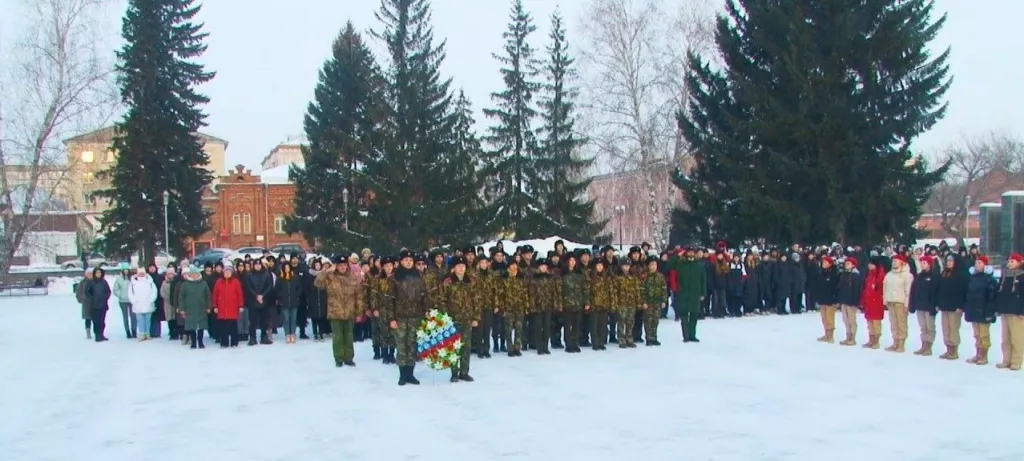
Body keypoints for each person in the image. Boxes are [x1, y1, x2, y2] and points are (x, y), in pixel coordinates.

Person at [383, 250, 429, 385]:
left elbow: (424, 295)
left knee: (412, 345)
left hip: (415, 316)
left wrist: (426, 310)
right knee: (402, 346)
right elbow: (389, 300)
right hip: (400, 317)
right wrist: (391, 318)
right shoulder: (394, 278)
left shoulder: (419, 276)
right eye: (405, 260)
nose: (408, 262)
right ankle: (402, 375)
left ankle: (411, 374)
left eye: (410, 260)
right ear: (401, 262)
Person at [315, 257, 365, 367]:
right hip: (335, 311)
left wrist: (359, 312)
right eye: (340, 265)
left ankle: (349, 357)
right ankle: (338, 358)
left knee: (349, 336)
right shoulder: (331, 277)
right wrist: (326, 271)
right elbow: (318, 283)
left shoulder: (353, 277)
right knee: (337, 337)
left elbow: (359, 296)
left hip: (349, 311)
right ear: (336, 266)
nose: (342, 267)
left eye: (344, 265)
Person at [442, 258, 478, 382]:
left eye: (463, 266)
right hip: (453, 319)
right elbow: (442, 300)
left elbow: (476, 300)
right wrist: (445, 317)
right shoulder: (448, 282)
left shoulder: (471, 281)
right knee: (453, 347)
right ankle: (454, 373)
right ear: (454, 268)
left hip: (467, 319)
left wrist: (475, 317)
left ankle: (464, 372)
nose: (461, 268)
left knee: (466, 347)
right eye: (459, 266)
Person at [668, 247, 706, 342]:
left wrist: (703, 293)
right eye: (689, 252)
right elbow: (669, 265)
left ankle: (692, 335)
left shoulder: (699, 264)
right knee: (684, 316)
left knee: (694, 316)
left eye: (692, 252)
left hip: (695, 294)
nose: (690, 254)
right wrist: (677, 255)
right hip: (683, 293)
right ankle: (686, 336)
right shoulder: (681, 263)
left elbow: (703, 280)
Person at [964, 255, 997, 365]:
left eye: (980, 263)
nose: (977, 265)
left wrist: (990, 312)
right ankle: (978, 353)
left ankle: (984, 356)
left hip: (984, 310)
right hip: (974, 309)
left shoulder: (990, 280)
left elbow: (992, 298)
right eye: (976, 263)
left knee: (984, 334)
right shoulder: (972, 277)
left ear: (985, 265)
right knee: (976, 334)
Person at [995, 253, 1024, 370]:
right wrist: (998, 308)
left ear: (1019, 263)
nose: (1010, 263)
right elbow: (1000, 293)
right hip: (1005, 310)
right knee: (1005, 339)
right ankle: (1006, 360)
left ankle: (1016, 361)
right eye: (1009, 261)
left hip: (1017, 312)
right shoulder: (1005, 275)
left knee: (1016, 338)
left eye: (1013, 261)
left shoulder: (1022, 276)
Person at [908, 256, 939, 355]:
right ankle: (923, 345)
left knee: (930, 327)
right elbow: (913, 291)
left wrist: (935, 305)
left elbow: (936, 292)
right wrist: (912, 304)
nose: (922, 265)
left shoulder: (934, 276)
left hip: (929, 306)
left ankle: (928, 346)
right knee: (923, 327)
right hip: (920, 305)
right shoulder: (919, 276)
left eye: (924, 263)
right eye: (921, 263)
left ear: (929, 264)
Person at [883, 254, 914, 352]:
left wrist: (906, 304)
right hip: (891, 301)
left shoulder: (907, 275)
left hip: (900, 302)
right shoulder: (889, 274)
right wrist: (885, 300)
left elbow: (908, 291)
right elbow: (885, 288)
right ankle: (895, 341)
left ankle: (901, 343)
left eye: (896, 261)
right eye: (893, 261)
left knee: (901, 324)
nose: (894, 263)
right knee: (893, 323)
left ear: (902, 263)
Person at [178, 267, 212, 349]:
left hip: (201, 308)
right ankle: (193, 343)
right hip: (190, 309)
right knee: (191, 326)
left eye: (196, 274)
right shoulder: (185, 285)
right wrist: (182, 309)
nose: (194, 275)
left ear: (198, 274)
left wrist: (209, 307)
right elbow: (181, 298)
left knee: (201, 326)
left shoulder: (204, 284)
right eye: (192, 274)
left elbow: (208, 296)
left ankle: (200, 342)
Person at [560, 255, 589, 353]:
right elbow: (559, 290)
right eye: (570, 260)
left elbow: (585, 289)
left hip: (578, 303)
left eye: (574, 260)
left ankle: (575, 343)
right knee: (567, 326)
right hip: (567, 303)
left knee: (577, 325)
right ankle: (568, 344)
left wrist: (586, 302)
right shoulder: (563, 274)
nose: (572, 262)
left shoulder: (579, 273)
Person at [244, 260, 275, 345]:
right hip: (253, 301)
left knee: (264, 320)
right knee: (252, 321)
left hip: (264, 300)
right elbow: (248, 287)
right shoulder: (249, 275)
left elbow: (269, 286)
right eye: (256, 265)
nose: (257, 266)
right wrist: (256, 296)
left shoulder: (267, 274)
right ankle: (252, 338)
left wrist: (262, 296)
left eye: (259, 265)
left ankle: (264, 337)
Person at [837, 258, 864, 346]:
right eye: (846, 263)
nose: (846, 265)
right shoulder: (844, 274)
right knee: (845, 320)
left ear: (853, 265)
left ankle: (852, 337)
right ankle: (848, 336)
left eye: (848, 263)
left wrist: (855, 303)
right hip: (844, 300)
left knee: (852, 320)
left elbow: (857, 290)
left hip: (851, 301)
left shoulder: (856, 275)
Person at [641, 256, 667, 346]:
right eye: (651, 264)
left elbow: (664, 289)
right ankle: (648, 338)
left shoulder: (660, 276)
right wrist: (643, 302)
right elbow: (642, 289)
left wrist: (664, 300)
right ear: (648, 265)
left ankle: (654, 337)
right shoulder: (644, 276)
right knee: (648, 320)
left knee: (655, 320)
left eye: (655, 264)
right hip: (648, 302)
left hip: (657, 302)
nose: (653, 266)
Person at [814, 256, 840, 343]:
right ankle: (826, 334)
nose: (823, 264)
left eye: (825, 262)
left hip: (831, 299)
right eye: (823, 262)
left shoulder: (835, 273)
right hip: (822, 298)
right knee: (824, 318)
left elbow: (836, 288)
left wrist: (836, 299)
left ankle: (830, 335)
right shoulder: (821, 273)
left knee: (830, 318)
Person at [276, 263, 303, 344]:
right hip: (284, 302)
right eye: (285, 267)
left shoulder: (295, 277)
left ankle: (293, 334)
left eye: (288, 267)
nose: (287, 268)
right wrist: (281, 296)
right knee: (286, 319)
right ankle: (287, 334)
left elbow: (300, 288)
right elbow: (277, 290)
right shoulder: (280, 278)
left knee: (293, 319)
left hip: (294, 301)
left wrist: (296, 294)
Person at [128, 267, 158, 341]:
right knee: (140, 320)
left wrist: (151, 299)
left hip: (148, 304)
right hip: (138, 305)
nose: (141, 275)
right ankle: (142, 334)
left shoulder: (150, 282)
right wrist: (133, 301)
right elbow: (130, 293)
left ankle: (147, 334)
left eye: (142, 273)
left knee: (148, 320)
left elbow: (154, 291)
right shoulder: (133, 283)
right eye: (140, 273)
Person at [84, 267, 111, 342]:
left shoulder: (104, 282)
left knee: (102, 321)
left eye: (99, 273)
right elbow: (87, 292)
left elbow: (108, 291)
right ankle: (97, 335)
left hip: (103, 304)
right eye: (97, 273)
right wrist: (92, 298)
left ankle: (101, 334)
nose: (98, 274)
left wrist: (106, 297)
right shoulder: (91, 282)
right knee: (96, 321)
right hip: (94, 305)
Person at [112, 263, 137, 339]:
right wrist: (121, 295)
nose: (126, 271)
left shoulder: (132, 278)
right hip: (123, 301)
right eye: (124, 270)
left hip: (132, 300)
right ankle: (127, 331)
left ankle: (134, 331)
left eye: (127, 270)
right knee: (125, 317)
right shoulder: (119, 279)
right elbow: (115, 289)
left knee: (133, 317)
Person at [76, 268, 93, 339]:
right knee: (87, 318)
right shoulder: (83, 282)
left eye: (91, 274)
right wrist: (81, 299)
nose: (90, 275)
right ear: (85, 274)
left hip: (95, 302)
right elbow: (78, 292)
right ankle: (88, 332)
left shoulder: (95, 281)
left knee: (97, 318)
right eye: (88, 274)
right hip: (86, 303)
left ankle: (97, 331)